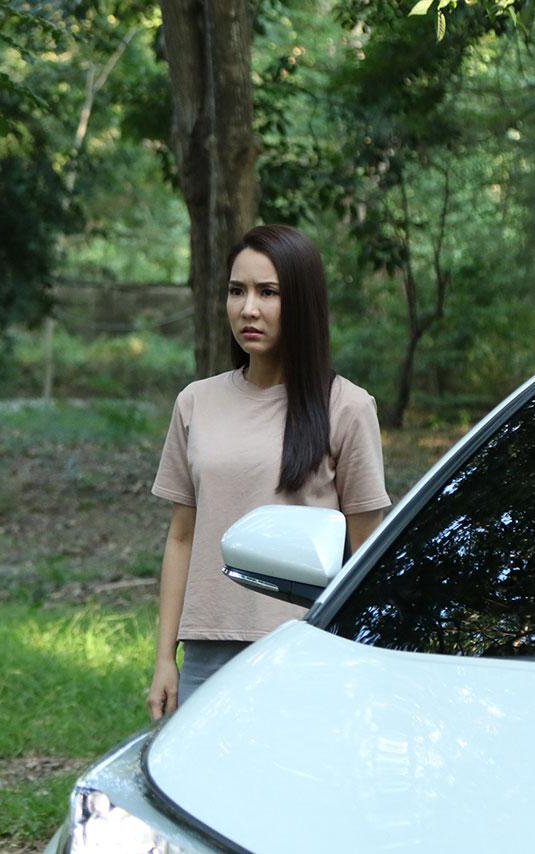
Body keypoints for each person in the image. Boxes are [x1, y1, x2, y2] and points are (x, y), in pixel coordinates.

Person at [145, 224, 392, 720]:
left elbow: (369, 550)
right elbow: (181, 537)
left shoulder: (347, 407)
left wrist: (366, 659)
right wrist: (164, 658)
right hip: (206, 651)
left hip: (305, 651)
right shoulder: (196, 402)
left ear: (302, 302)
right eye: (237, 291)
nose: (248, 309)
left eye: (268, 293)